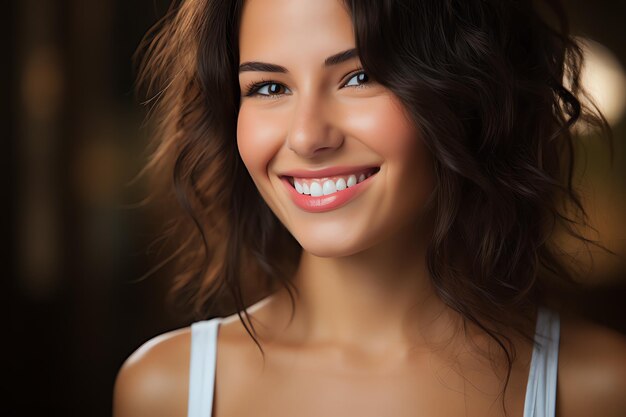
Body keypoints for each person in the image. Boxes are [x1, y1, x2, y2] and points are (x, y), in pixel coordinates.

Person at [113, 0, 626, 416]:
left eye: (359, 77)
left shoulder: (596, 390)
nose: (309, 136)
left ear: (462, 90)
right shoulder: (167, 390)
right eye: (270, 87)